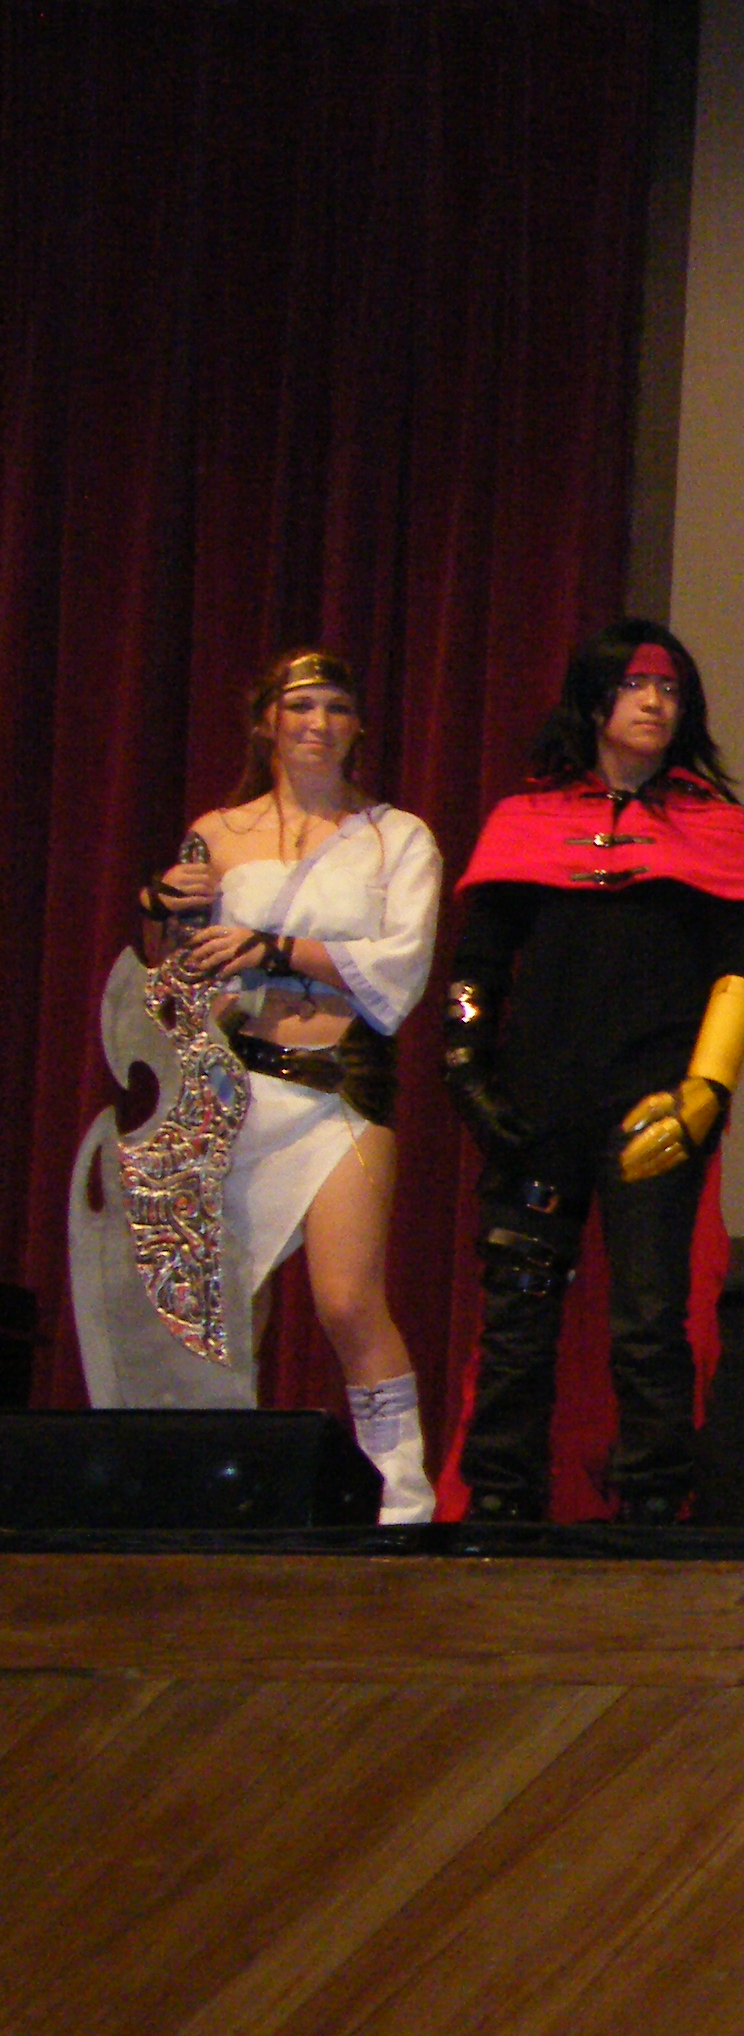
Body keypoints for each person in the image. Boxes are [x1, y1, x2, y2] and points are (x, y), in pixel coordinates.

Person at [441, 622, 744, 1523]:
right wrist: (467, 1067)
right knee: (517, 1309)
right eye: (635, 685)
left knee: (650, 1314)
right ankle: (501, 1500)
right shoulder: (525, 821)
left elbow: (743, 972)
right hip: (535, 1102)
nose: (655, 703)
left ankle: (654, 1504)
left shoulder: (720, 827)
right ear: (594, 702)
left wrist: (706, 1090)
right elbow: (477, 966)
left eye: (670, 690)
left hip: (655, 1098)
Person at [100, 650, 442, 1518]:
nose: (318, 723)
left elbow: (400, 966)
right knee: (222, 1307)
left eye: (336, 707)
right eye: (300, 706)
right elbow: (174, 980)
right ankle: (216, 1491)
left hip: (340, 1084)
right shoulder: (218, 833)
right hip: (240, 1088)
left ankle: (400, 1497)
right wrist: (160, 907)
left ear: (358, 726)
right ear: (266, 723)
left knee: (347, 1299)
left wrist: (278, 949)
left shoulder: (396, 837)